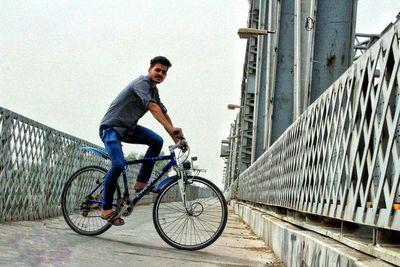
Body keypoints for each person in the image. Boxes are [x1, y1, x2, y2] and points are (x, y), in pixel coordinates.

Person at [98, 56, 183, 226]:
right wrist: (170, 129)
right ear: (149, 70)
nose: (160, 74)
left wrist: (179, 139)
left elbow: (163, 113)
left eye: (164, 72)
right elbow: (153, 107)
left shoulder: (154, 90)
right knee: (118, 164)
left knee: (156, 141)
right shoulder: (142, 83)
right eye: (157, 70)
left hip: (128, 129)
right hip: (111, 128)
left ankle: (141, 183)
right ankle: (106, 208)